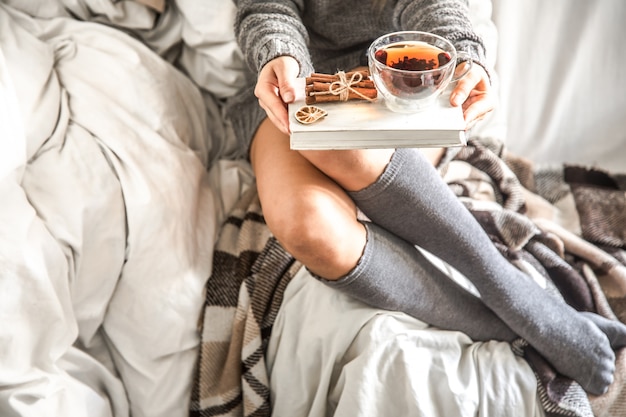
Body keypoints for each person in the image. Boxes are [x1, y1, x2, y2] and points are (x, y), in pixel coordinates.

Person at [226, 0, 626, 396]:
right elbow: (266, 6)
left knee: (340, 141)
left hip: (396, 85)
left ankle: (506, 286)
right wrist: (279, 52)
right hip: (284, 90)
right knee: (307, 227)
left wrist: (466, 55)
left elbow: (434, 5)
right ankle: (518, 322)